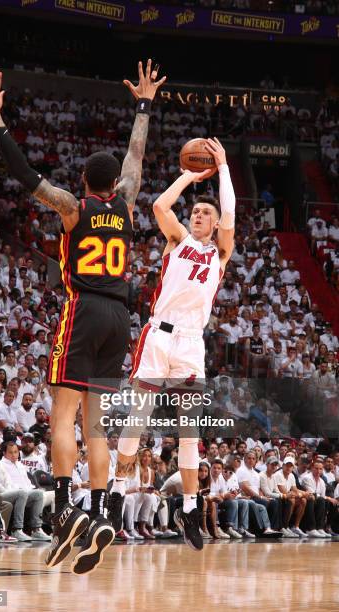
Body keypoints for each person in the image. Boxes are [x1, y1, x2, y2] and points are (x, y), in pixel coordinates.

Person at [0, 61, 166, 573]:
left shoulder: (70, 206)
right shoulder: (127, 204)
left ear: (85, 180)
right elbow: (136, 154)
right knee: (97, 429)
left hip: (83, 310)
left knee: (61, 419)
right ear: (114, 185)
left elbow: (23, 175)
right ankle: (103, 510)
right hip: (120, 319)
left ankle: (65, 512)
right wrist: (144, 105)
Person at [109, 138, 236, 552]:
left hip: (190, 344)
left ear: (215, 225)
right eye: (196, 211)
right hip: (157, 336)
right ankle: (114, 494)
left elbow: (230, 213)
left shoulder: (219, 253)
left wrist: (223, 169)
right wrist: (188, 176)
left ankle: (189, 509)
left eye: (206, 213)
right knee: (137, 419)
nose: (198, 215)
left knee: (188, 432)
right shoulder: (178, 239)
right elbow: (160, 207)